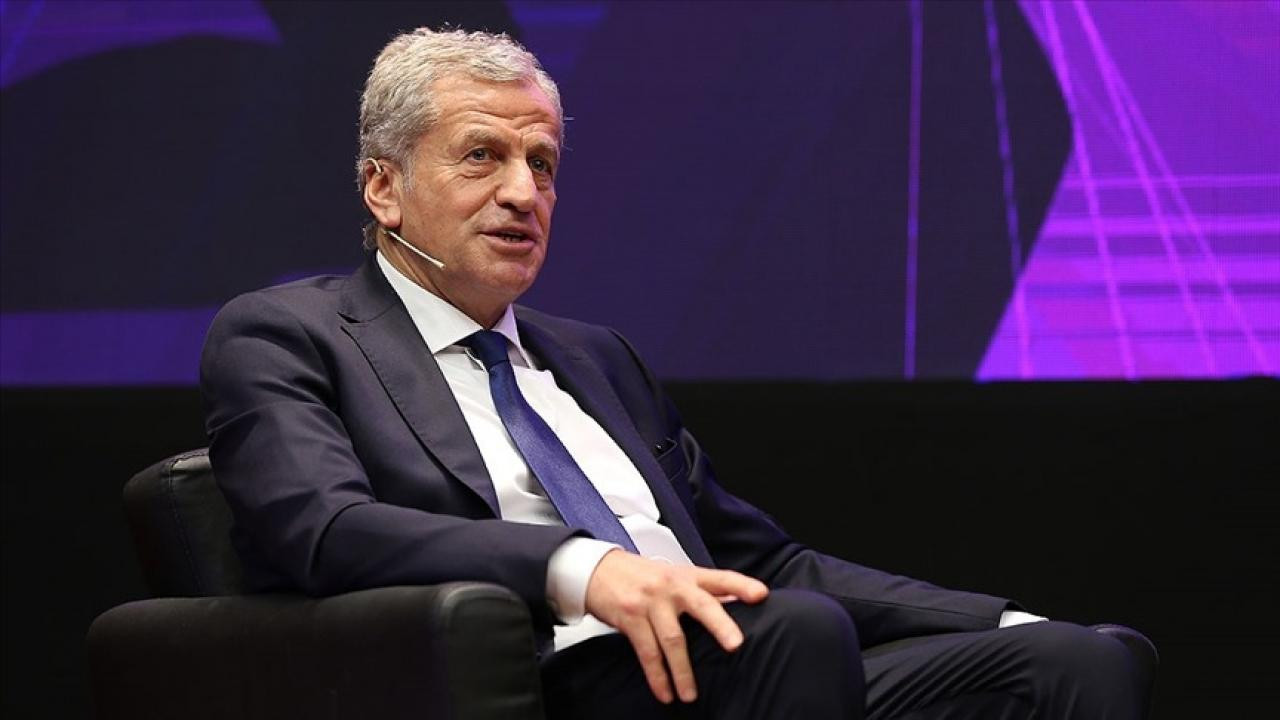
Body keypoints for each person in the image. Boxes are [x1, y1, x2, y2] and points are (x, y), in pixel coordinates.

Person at [201, 27, 1148, 719]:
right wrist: (583, 570)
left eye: (543, 163)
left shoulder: (595, 359)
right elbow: (325, 529)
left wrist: (993, 622)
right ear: (384, 187)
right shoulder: (289, 335)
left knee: (1076, 664)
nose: (524, 193)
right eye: (482, 157)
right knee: (795, 633)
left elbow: (764, 564)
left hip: (745, 662)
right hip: (548, 672)